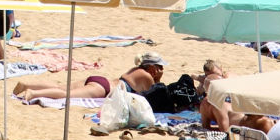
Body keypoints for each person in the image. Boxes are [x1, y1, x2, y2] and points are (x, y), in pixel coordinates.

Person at [12, 52, 165, 103]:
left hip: (99, 80)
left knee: (61, 87)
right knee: (66, 95)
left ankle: (27, 85)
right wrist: (157, 78)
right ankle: (33, 93)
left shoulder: (136, 69)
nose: (162, 70)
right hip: (103, 89)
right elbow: (156, 94)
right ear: (152, 67)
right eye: (160, 67)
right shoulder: (147, 77)